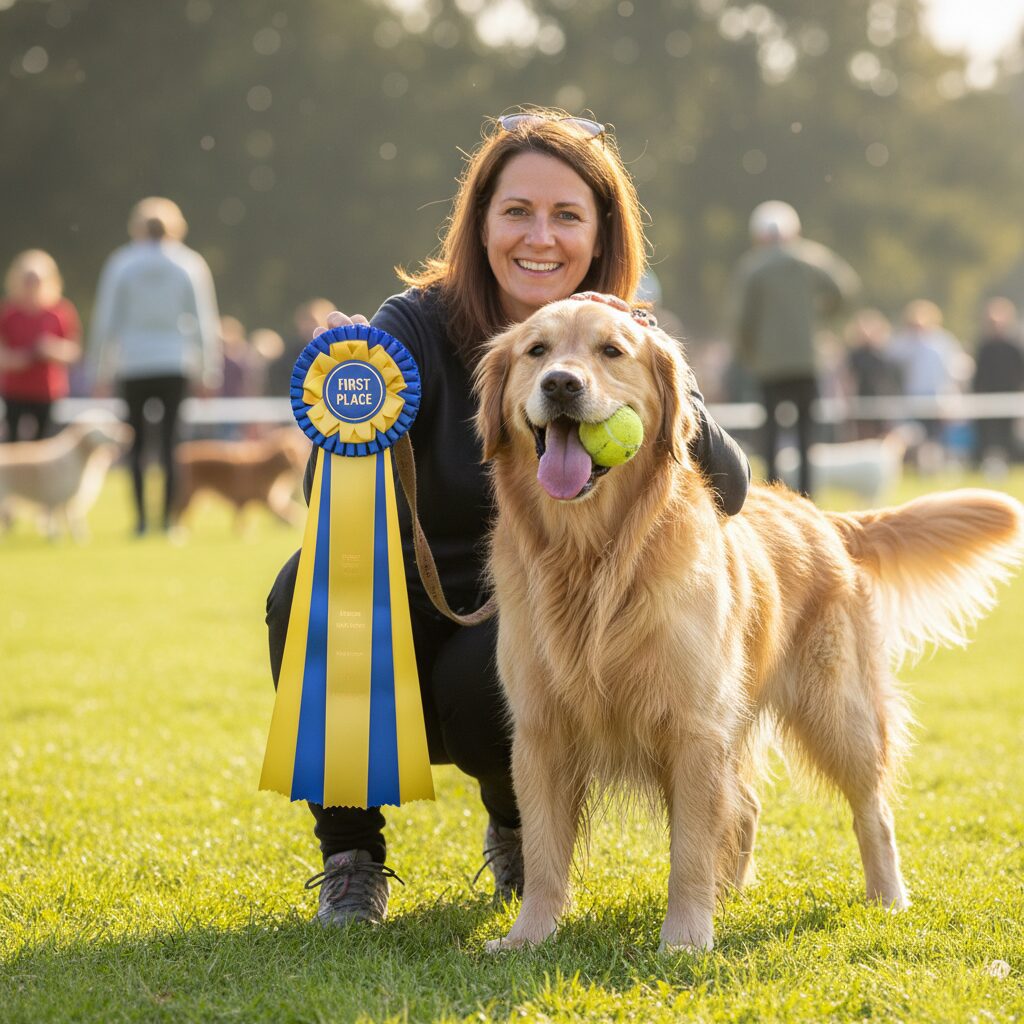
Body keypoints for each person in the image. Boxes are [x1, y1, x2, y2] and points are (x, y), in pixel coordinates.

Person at [265, 109, 751, 928]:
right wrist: (350, 395)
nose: (540, 237)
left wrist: (659, 363)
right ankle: (351, 860)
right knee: (303, 596)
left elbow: (729, 488)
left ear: (600, 234)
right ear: (481, 222)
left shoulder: (626, 339)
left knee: (501, 668)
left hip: (531, 603)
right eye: (517, 211)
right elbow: (326, 490)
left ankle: (520, 831)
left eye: (567, 215)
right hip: (408, 601)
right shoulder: (414, 324)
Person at [87, 197, 222, 534]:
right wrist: (209, 370)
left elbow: (105, 321)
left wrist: (99, 370)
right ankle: (168, 522)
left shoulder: (121, 263)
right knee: (171, 444)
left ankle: (141, 521)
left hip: (133, 364)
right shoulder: (188, 263)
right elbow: (204, 321)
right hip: (174, 362)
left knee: (134, 444)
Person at [732, 200, 859, 496]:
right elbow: (845, 289)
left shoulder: (753, 267)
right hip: (806, 361)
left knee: (771, 433)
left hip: (768, 365)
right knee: (806, 435)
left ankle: (774, 492)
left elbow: (742, 321)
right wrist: (821, 315)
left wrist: (748, 355)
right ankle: (807, 495)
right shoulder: (811, 258)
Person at [0, 250, 81, 442]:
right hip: (15, 390)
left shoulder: (60, 312)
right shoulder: (8, 313)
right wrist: (19, 359)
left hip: (47, 391)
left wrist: (51, 349)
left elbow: (74, 352)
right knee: (13, 443)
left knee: (44, 444)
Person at [887, 299, 972, 466]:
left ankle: (933, 464)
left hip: (937, 396)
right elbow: (892, 355)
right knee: (914, 432)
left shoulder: (943, 341)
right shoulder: (905, 342)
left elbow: (956, 369)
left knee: (935, 433)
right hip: (913, 396)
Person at [972, 297, 1024, 469]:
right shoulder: (984, 347)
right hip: (986, 399)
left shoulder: (1014, 346)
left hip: (1009, 398)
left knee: (1008, 434)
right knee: (988, 435)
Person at [844, 308, 901, 439]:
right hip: (861, 401)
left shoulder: (885, 353)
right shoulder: (855, 356)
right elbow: (848, 379)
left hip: (882, 400)